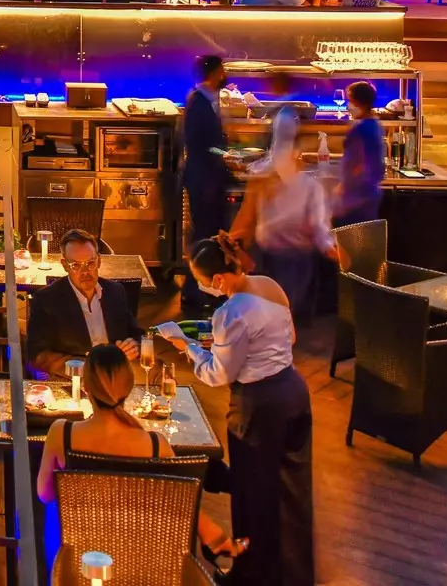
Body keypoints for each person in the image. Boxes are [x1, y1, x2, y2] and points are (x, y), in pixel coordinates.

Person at [156, 237, 315, 586]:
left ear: (217, 280)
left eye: (200, 280)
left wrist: (188, 346)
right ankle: (294, 572)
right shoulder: (270, 286)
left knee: (252, 492)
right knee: (291, 487)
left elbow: (219, 375)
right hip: (293, 391)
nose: (201, 287)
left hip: (258, 405)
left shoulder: (230, 313)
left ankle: (251, 575)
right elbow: (287, 339)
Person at [36, 343, 245, 574]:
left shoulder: (61, 433)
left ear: (86, 387)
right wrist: (213, 535)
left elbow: (45, 494)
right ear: (128, 387)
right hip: (141, 558)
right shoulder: (155, 445)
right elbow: (183, 503)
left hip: (81, 559)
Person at [232, 90, 339, 322]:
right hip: (288, 255)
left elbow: (247, 215)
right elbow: (319, 226)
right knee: (281, 311)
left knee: (276, 310)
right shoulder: (301, 181)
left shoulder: (263, 174)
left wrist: (234, 243)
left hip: (281, 254)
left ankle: (279, 339)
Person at [25, 229, 143, 378]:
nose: (85, 272)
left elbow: (137, 333)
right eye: (76, 265)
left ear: (99, 261)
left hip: (118, 373)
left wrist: (134, 345)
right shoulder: (46, 299)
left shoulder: (115, 291)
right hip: (76, 379)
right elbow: (37, 356)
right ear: (65, 265)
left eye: (90, 263)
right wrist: (90, 367)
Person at [180, 55, 230, 312]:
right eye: (222, 70)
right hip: (203, 179)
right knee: (203, 236)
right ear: (214, 73)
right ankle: (194, 290)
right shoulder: (199, 102)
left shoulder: (207, 99)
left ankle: (202, 288)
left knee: (207, 235)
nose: (225, 75)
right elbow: (200, 145)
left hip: (207, 177)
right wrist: (227, 155)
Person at [332, 81, 386, 226]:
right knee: (363, 241)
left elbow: (360, 165)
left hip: (356, 200)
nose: (348, 106)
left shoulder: (362, 128)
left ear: (359, 102)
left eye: (350, 101)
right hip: (368, 196)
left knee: (352, 241)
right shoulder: (375, 125)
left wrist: (344, 188)